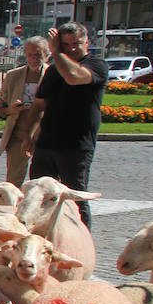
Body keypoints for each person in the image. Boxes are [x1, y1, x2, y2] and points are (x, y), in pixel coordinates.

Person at [27, 22, 107, 226]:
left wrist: (56, 52)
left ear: (87, 41)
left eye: (76, 43)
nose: (71, 48)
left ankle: (82, 241)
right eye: (66, 44)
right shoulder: (53, 71)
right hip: (46, 143)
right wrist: (29, 134)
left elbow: (73, 77)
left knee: (76, 197)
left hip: (76, 145)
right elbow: (38, 105)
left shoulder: (97, 65)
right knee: (38, 194)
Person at [0, 36, 50, 185]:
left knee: (43, 183)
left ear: (46, 55)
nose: (33, 59)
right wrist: (10, 110)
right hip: (17, 135)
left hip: (43, 137)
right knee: (13, 182)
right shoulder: (13, 76)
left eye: (38, 54)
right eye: (29, 55)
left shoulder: (52, 75)